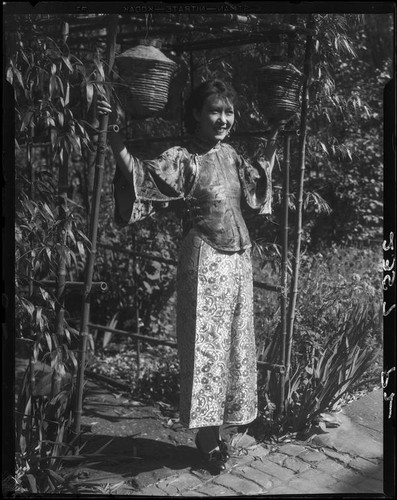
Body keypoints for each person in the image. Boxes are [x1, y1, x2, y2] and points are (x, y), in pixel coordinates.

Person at [97, 79, 283, 474]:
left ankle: (223, 431)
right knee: (205, 349)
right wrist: (116, 140)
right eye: (215, 111)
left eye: (228, 112)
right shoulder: (183, 158)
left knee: (234, 346)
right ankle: (206, 440)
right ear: (197, 113)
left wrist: (273, 139)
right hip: (206, 259)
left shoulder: (231, 154)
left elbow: (258, 184)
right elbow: (142, 179)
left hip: (239, 260)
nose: (223, 119)